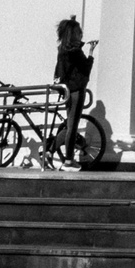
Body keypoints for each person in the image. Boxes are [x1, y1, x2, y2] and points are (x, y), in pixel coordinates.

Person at [52, 16, 94, 168]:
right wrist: (91, 52)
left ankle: (50, 150)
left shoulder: (62, 50)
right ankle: (68, 160)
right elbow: (86, 69)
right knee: (72, 126)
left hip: (67, 90)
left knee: (69, 124)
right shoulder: (75, 52)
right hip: (77, 89)